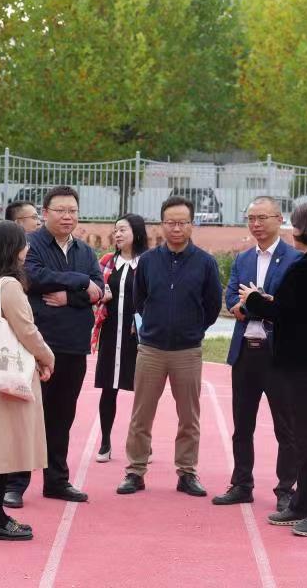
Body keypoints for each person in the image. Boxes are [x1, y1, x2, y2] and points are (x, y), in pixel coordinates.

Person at [240, 200, 307, 537]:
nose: (292, 230)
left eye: (296, 224)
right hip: (306, 362)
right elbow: (297, 309)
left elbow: (282, 312)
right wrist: (270, 302)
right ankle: (303, 503)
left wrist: (253, 299)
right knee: (303, 437)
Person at [3, 186, 103, 508]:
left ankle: (56, 481)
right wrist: (79, 282)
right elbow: (32, 277)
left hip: (73, 346)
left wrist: (68, 297)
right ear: (45, 213)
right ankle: (15, 484)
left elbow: (99, 290)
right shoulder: (29, 245)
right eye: (60, 210)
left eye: (72, 211)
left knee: (62, 417)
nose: (67, 216)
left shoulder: (85, 251)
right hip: (38, 346)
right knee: (28, 415)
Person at [117, 196, 222, 497]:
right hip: (151, 349)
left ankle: (187, 472)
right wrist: (153, 326)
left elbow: (213, 304)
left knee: (189, 416)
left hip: (187, 351)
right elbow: (139, 300)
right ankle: (135, 471)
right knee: (141, 415)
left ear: (192, 224)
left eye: (182, 223)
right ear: (161, 225)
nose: (176, 228)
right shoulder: (148, 261)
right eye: (170, 223)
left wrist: (194, 329)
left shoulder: (205, 263)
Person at [212, 197, 301, 510]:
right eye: (251, 218)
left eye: (262, 218)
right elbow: (231, 300)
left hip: (277, 355)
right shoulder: (243, 259)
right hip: (245, 354)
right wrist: (261, 303)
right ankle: (241, 483)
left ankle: (286, 489)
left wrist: (254, 303)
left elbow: (287, 306)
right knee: (242, 425)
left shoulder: (294, 260)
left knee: (285, 427)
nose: (256, 224)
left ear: (279, 219)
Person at [0, 221, 54, 541]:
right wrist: (47, 356)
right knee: (5, 448)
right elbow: (26, 330)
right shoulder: (9, 286)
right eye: (24, 243)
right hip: (14, 376)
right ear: (13, 248)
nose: (28, 248)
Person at [91, 214, 149, 462]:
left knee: (143, 392)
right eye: (115, 230)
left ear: (136, 232)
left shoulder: (147, 263)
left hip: (138, 336)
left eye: (123, 230)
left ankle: (143, 443)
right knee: (108, 388)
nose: (117, 234)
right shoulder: (107, 262)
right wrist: (100, 296)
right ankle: (105, 442)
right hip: (110, 332)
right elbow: (94, 291)